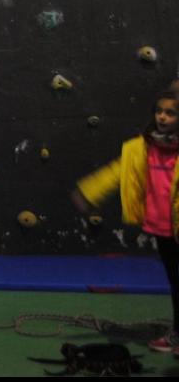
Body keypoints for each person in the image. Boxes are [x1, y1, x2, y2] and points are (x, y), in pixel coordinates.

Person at [73, 91, 179, 354]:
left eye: (171, 112)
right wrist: (89, 192)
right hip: (163, 229)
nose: (162, 116)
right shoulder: (141, 148)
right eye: (159, 111)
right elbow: (117, 172)